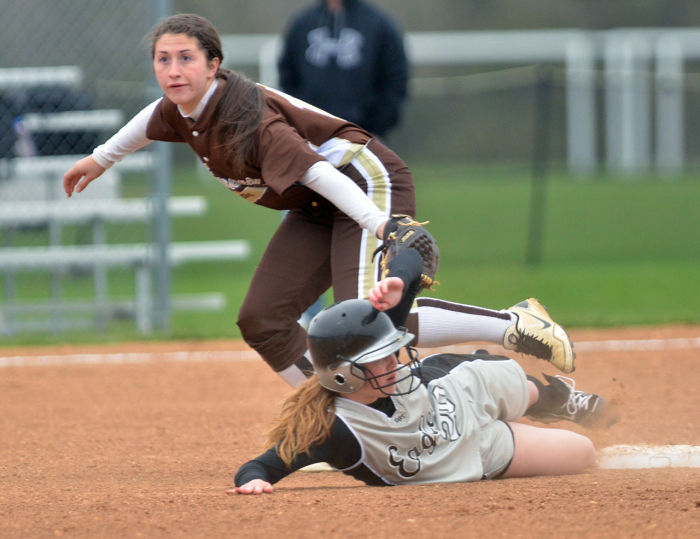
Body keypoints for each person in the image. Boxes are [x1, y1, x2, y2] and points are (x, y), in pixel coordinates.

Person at [62, 13, 574, 388]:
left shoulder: (250, 120)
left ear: (214, 65)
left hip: (364, 182)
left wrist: (381, 227)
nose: (173, 70)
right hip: (317, 207)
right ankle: (332, 418)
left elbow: (321, 173)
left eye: (187, 58)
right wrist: (99, 159)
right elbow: (150, 119)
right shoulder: (182, 107)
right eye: (163, 59)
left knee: (368, 321)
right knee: (262, 319)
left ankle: (516, 325)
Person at [230, 249, 619, 494]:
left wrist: (398, 280)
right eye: (377, 361)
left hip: (450, 391)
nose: (393, 363)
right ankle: (528, 415)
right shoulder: (335, 431)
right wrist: (254, 482)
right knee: (582, 454)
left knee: (518, 387)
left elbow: (412, 255)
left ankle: (561, 398)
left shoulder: (397, 367)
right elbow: (263, 465)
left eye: (390, 354)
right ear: (343, 375)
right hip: (472, 455)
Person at [278, 0, 408, 138]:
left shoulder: (378, 24)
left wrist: (376, 126)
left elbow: (395, 79)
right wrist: (299, 120)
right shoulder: (302, 24)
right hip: (309, 136)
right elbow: (287, 75)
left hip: (363, 137)